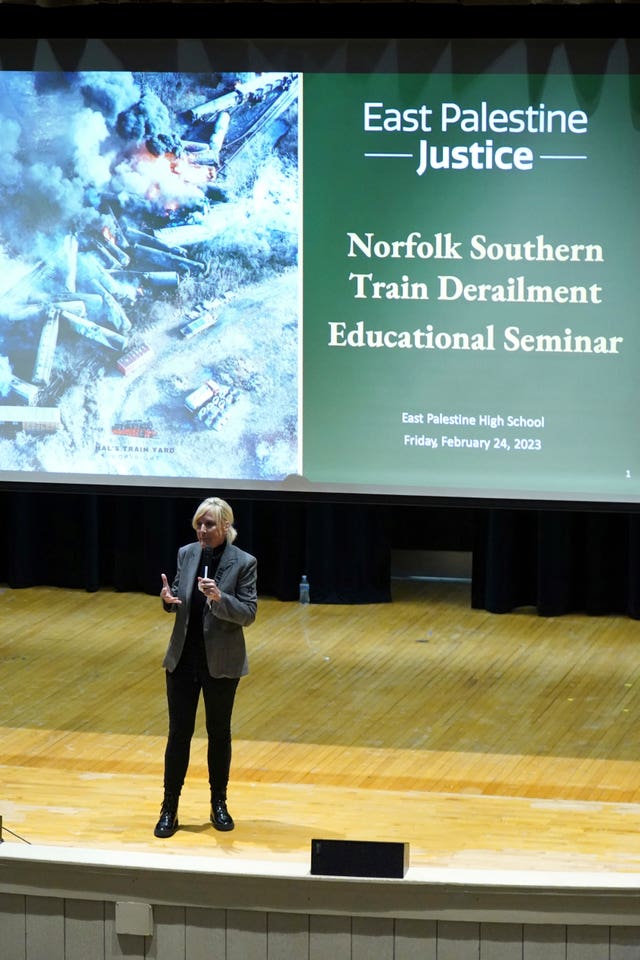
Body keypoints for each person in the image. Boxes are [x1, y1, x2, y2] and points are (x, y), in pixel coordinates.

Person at [154, 496, 257, 838]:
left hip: (221, 661)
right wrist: (169, 602)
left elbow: (248, 613)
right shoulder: (187, 554)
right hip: (183, 658)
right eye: (199, 523)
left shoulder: (244, 562)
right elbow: (181, 603)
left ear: (226, 526)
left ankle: (219, 803)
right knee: (178, 734)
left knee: (219, 734)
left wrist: (219, 598)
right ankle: (169, 807)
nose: (202, 530)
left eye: (209, 524)